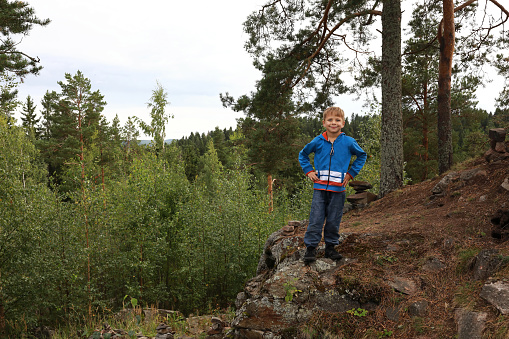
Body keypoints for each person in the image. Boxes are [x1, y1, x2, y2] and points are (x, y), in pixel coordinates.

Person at [298, 107, 367, 264]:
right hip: (319, 189)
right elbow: (302, 154)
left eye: (337, 120)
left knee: (333, 220)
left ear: (343, 123)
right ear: (324, 123)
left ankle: (330, 248)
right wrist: (308, 171)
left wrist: (351, 174)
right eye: (330, 120)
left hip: (338, 190)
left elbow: (362, 155)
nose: (333, 123)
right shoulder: (318, 141)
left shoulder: (348, 142)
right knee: (316, 219)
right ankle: (311, 249)